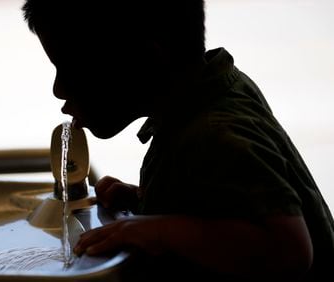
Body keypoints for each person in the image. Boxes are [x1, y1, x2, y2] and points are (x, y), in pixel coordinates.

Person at [21, 0, 334, 281]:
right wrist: (149, 201)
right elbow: (228, 205)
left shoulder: (217, 133)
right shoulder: (207, 95)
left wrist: (156, 230)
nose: (59, 89)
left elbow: (289, 249)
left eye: (71, 69)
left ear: (146, 58)